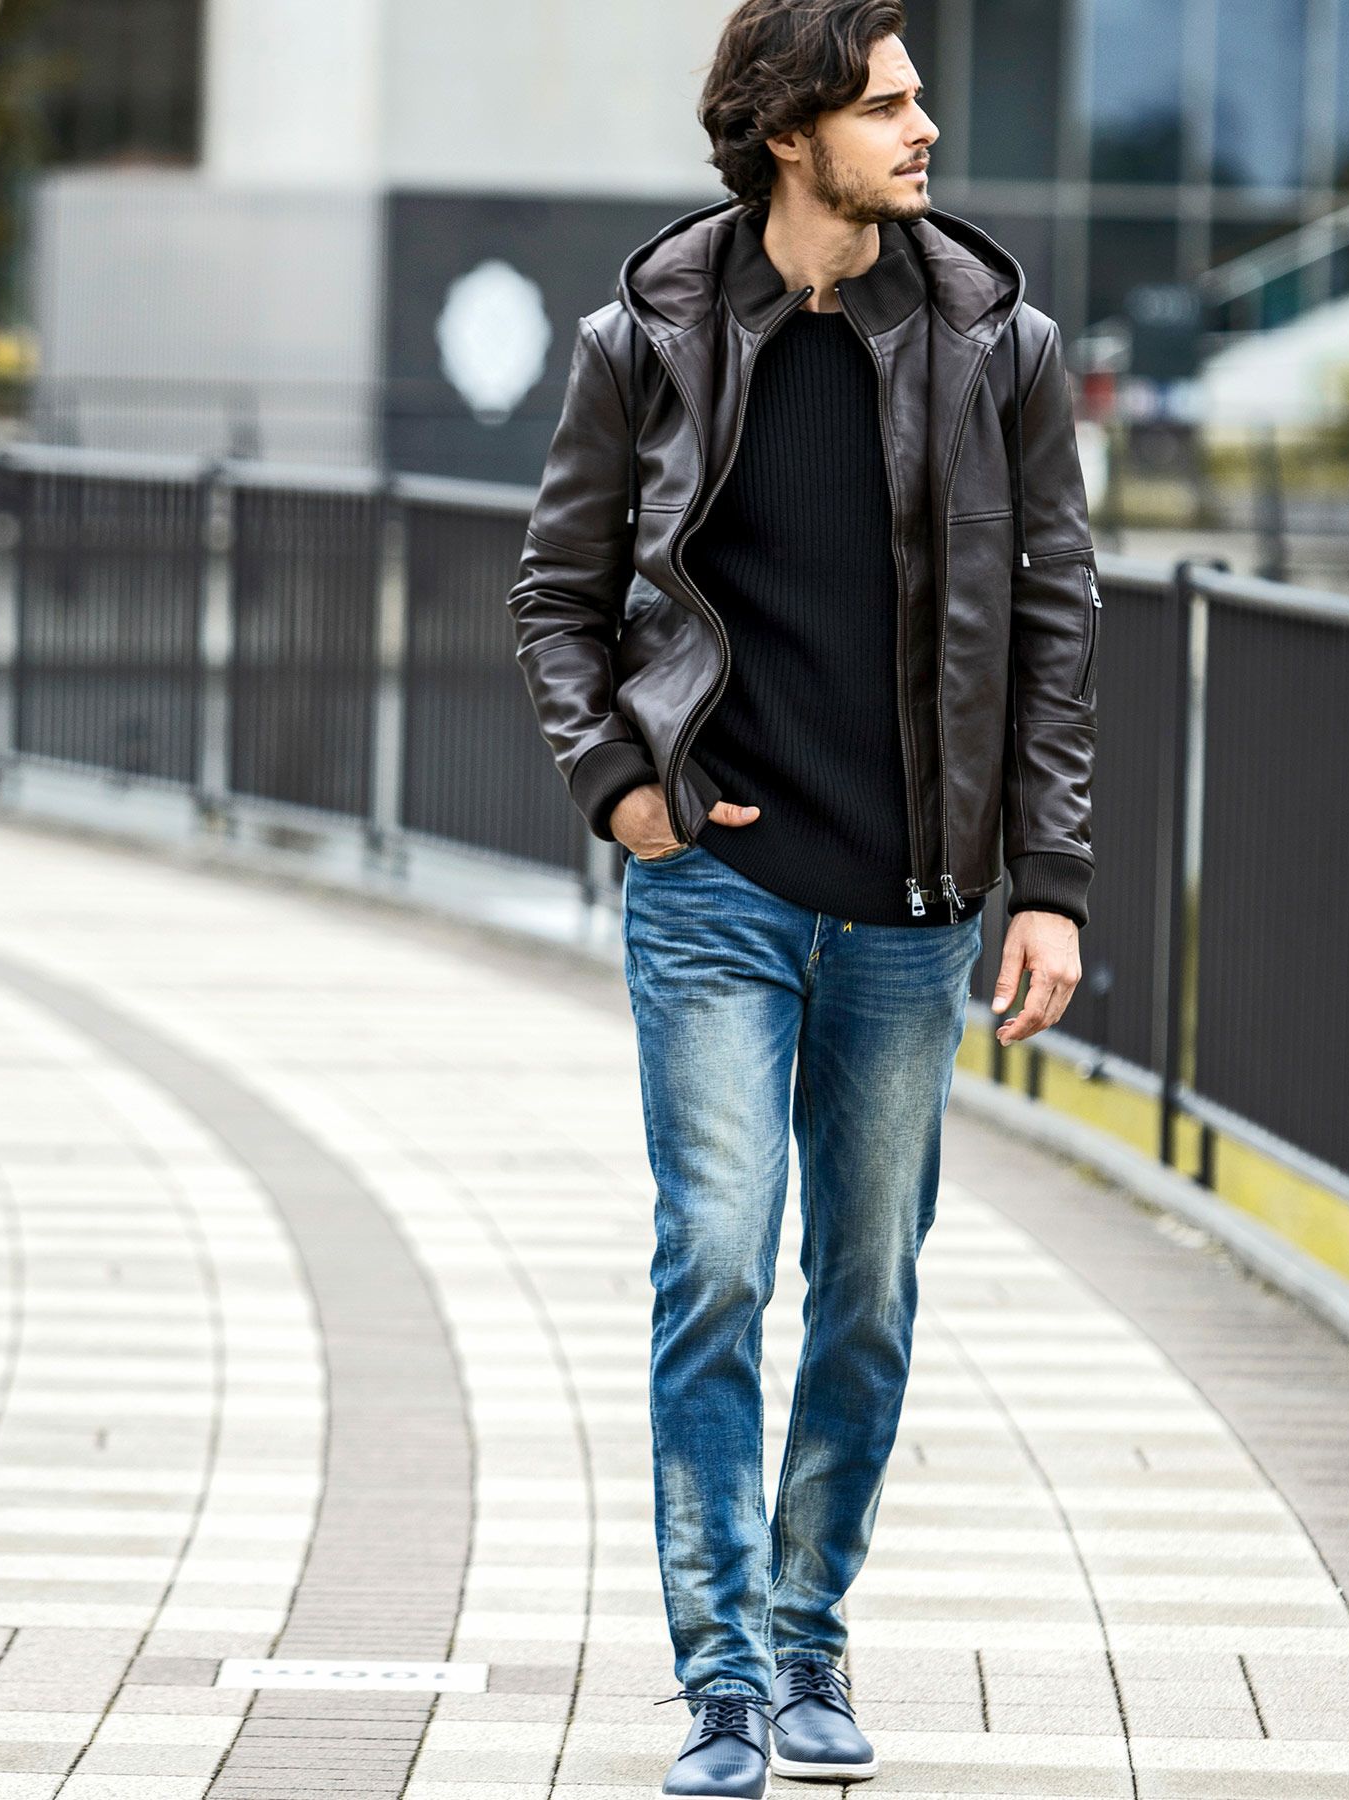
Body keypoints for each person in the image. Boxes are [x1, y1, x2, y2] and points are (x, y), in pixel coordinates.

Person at [506, 1, 1098, 1790]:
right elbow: (558, 595)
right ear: (788, 133)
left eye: (920, 99)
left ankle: (810, 1627)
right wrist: (623, 790)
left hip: (915, 905)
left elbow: (1055, 624)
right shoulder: (648, 337)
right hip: (719, 893)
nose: (926, 131)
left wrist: (1051, 881)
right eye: (889, 104)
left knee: (865, 1289)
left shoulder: (999, 344)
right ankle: (725, 1680)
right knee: (712, 1264)